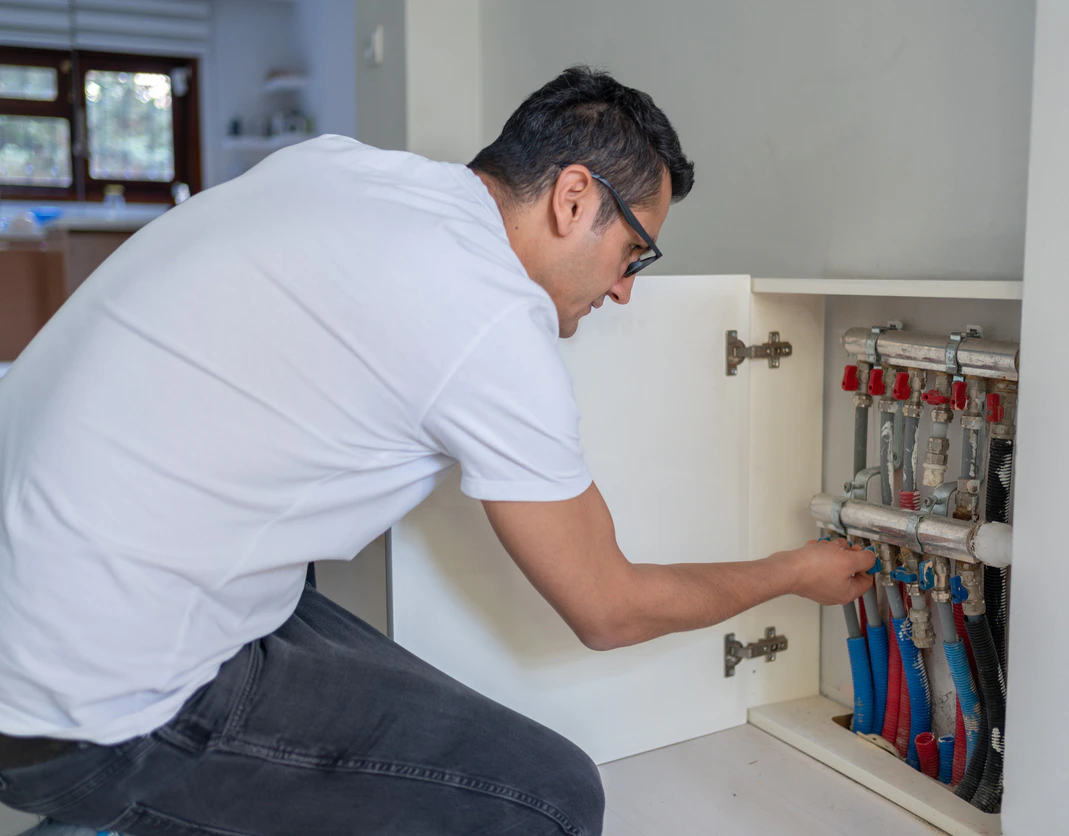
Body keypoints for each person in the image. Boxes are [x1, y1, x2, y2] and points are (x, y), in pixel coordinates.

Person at [0, 66, 872, 836]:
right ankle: (114, 816)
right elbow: (609, 608)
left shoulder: (337, 166)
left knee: (313, 600)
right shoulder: (489, 312)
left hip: (39, 595)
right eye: (631, 254)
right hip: (88, 712)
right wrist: (793, 573)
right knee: (554, 801)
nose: (622, 291)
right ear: (573, 198)